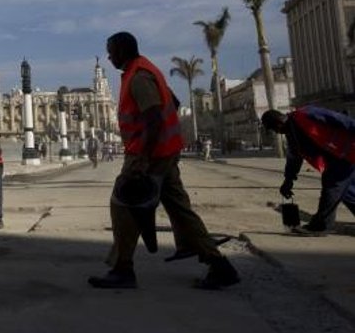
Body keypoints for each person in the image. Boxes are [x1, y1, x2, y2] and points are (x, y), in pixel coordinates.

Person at [88, 32, 239, 290]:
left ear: (123, 51)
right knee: (179, 210)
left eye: (111, 51)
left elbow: (154, 118)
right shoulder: (144, 70)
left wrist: (143, 160)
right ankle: (219, 265)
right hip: (164, 153)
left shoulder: (139, 77)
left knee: (124, 205)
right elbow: (172, 101)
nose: (110, 56)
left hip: (149, 155)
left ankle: (123, 269)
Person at [261, 107, 355, 236]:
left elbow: (340, 119)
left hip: (346, 151)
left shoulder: (306, 114)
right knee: (347, 192)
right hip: (339, 157)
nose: (276, 133)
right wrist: (288, 181)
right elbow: (294, 159)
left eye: (274, 129)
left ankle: (320, 226)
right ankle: (320, 225)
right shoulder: (292, 135)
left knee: (331, 188)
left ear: (278, 123)